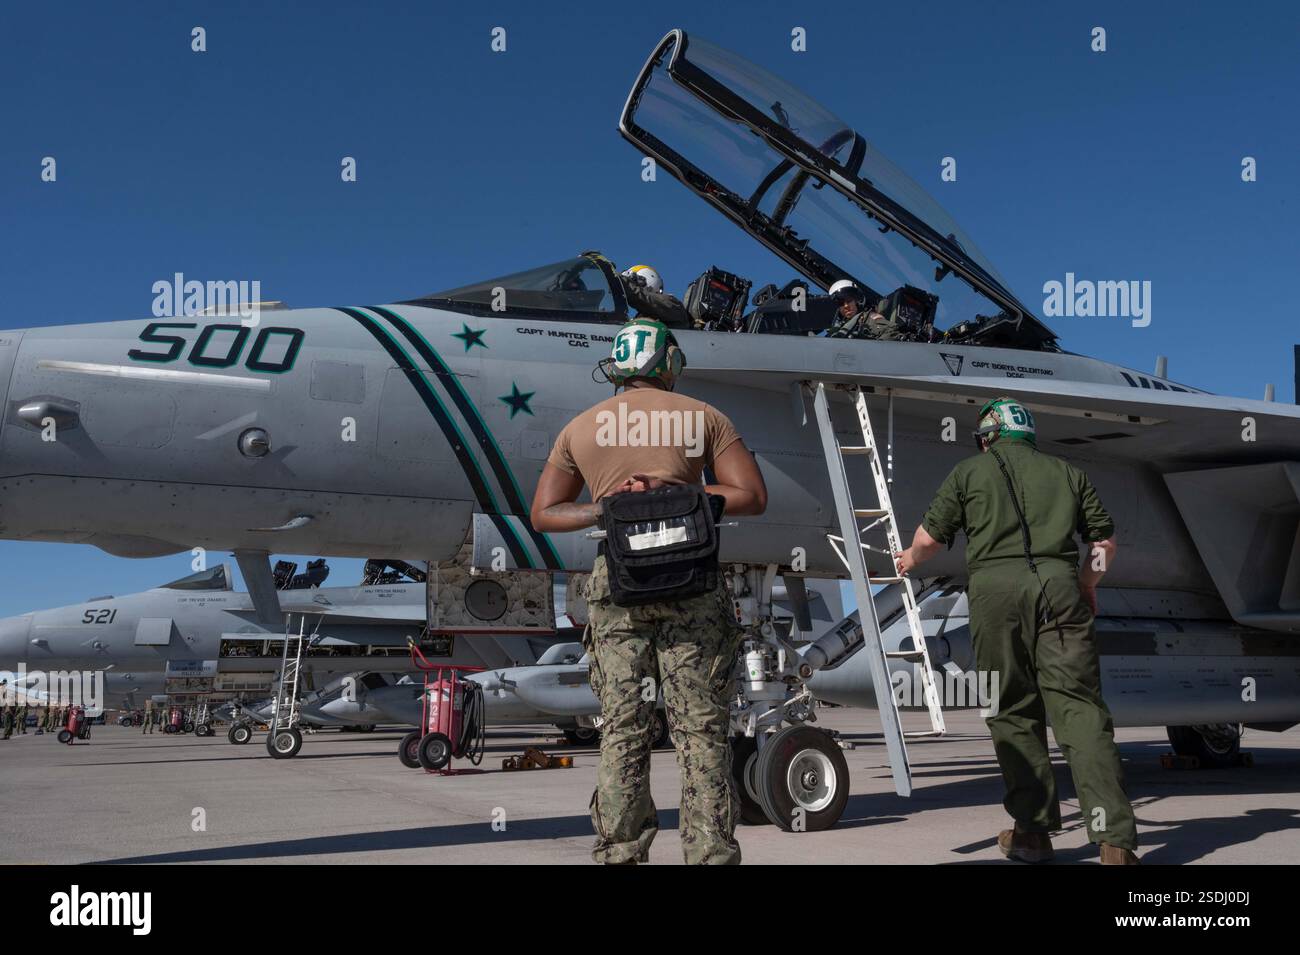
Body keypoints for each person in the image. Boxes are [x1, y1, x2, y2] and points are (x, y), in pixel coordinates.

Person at [531, 317, 767, 864]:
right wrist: (681, 490)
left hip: (618, 583)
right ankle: (709, 856)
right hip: (692, 581)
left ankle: (619, 854)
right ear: (668, 364)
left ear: (617, 368)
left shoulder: (580, 428)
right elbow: (751, 495)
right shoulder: (704, 417)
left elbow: (544, 514)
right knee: (701, 730)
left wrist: (610, 507)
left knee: (623, 728)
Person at [894, 396, 1139, 865]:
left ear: (988, 437)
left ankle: (1032, 833)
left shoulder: (970, 472)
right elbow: (1103, 542)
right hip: (1061, 591)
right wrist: (1087, 585)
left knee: (1010, 711)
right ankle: (1115, 842)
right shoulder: (1069, 473)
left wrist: (909, 559)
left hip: (995, 596)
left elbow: (929, 539)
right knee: (1081, 712)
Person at [620, 264, 693, 329]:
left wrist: (618, 279)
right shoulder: (638, 320)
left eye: (633, 282)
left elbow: (638, 295)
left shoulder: (673, 305)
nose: (633, 286)